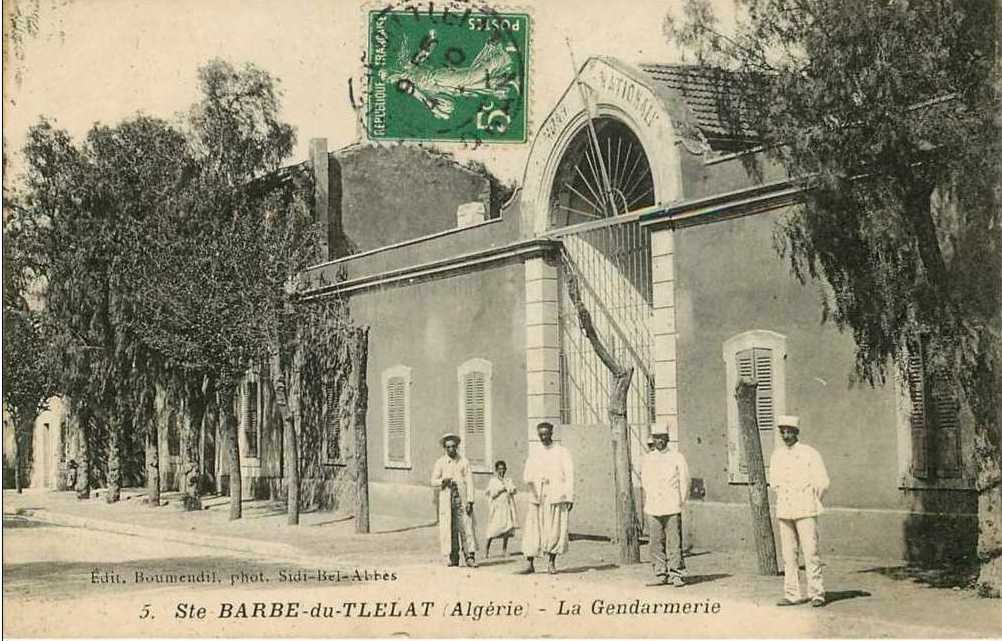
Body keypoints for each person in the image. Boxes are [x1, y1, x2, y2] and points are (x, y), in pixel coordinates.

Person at [769, 415, 830, 607]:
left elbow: (822, 482)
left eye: (789, 432)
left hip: (805, 508)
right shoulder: (776, 455)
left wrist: (811, 499)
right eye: (783, 432)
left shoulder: (809, 453)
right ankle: (792, 594)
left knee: (811, 552)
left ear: (796, 433)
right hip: (785, 509)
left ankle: (817, 593)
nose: (786, 435)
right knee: (789, 554)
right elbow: (774, 482)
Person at [640, 423, 690, 586]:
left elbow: (684, 481)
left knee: (674, 541)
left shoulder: (677, 457)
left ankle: (676, 573)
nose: (659, 441)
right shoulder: (648, 458)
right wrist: (652, 496)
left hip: (672, 504)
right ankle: (660, 572)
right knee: (655, 541)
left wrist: (680, 501)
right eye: (656, 438)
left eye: (662, 437)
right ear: (653, 440)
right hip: (654, 505)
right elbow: (645, 480)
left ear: (667, 439)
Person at [521, 421, 574, 574]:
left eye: (546, 434)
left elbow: (569, 475)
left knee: (553, 530)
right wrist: (534, 480)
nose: (543, 437)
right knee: (533, 529)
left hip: (555, 495)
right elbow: (527, 474)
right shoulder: (535, 452)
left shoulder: (562, 452)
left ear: (552, 433)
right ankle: (530, 563)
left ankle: (551, 563)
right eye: (541, 435)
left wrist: (569, 497)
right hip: (537, 496)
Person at [430, 433, 478, 568]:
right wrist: (442, 481)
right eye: (448, 447)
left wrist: (470, 501)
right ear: (444, 448)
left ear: (457, 447)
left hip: (461, 499)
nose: (451, 449)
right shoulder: (440, 462)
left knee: (465, 528)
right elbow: (433, 481)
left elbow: (469, 481)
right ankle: (453, 556)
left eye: (453, 446)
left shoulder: (464, 461)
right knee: (449, 528)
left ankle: (469, 556)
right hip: (447, 499)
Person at [483, 460, 518, 558]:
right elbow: (491, 494)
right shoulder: (493, 481)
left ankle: (504, 549)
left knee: (507, 528)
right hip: (497, 508)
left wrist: (512, 489)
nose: (501, 471)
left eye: (503, 469)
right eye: (499, 469)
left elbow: (513, 489)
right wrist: (501, 490)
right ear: (496, 470)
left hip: (506, 507)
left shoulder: (508, 480)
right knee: (493, 528)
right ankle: (486, 549)